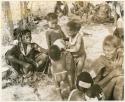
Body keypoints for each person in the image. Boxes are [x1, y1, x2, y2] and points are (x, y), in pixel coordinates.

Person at [89, 35, 124, 100]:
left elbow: (121, 50)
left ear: (117, 49)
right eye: (104, 50)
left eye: (109, 50)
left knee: (121, 79)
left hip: (112, 91)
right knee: (119, 78)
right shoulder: (101, 61)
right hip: (99, 92)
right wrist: (112, 75)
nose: (106, 53)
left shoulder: (119, 57)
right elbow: (94, 86)